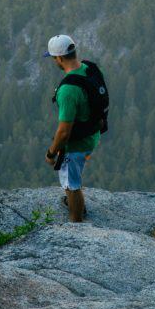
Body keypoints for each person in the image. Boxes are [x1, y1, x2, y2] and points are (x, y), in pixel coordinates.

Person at [43, 34, 106, 222]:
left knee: (71, 184)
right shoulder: (89, 68)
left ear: (59, 58)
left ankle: (76, 221)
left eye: (53, 57)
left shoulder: (68, 90)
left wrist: (51, 153)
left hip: (77, 144)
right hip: (93, 133)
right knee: (73, 177)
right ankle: (74, 203)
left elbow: (64, 131)